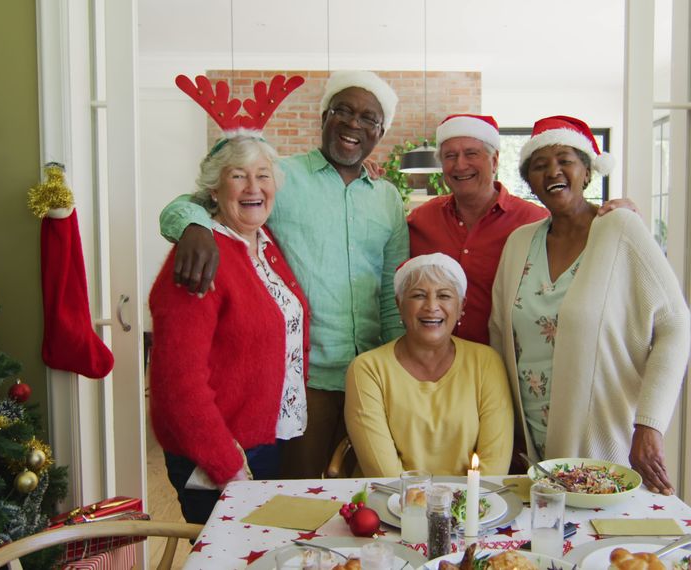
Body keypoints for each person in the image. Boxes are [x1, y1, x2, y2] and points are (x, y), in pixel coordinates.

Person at [159, 71, 408, 479]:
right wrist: (193, 227)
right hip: (302, 380)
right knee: (297, 503)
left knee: (365, 503)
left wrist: (398, 376)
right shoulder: (281, 177)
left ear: (381, 132)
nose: (353, 124)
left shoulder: (388, 198)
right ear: (324, 117)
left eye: (368, 118)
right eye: (342, 111)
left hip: (372, 380)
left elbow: (390, 292)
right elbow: (192, 202)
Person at [489, 116, 690, 495]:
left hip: (604, 439)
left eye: (565, 159)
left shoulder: (620, 229)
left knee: (604, 546)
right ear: (529, 182)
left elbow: (674, 322)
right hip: (531, 445)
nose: (553, 171)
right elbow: (500, 334)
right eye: (539, 165)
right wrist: (508, 429)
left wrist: (649, 424)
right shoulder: (518, 243)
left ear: (587, 171)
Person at [148, 135, 311, 523]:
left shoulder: (265, 245)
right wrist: (226, 466)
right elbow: (177, 385)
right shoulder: (199, 258)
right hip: (220, 453)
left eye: (263, 175)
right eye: (238, 176)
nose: (254, 187)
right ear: (214, 191)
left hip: (267, 439)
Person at [408, 114, 638, 346]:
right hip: (433, 366)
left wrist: (621, 217)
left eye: (471, 153)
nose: (460, 164)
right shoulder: (419, 221)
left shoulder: (535, 222)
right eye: (450, 156)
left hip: (506, 367)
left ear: (495, 161)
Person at [346, 253, 513, 477]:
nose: (432, 306)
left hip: (474, 506)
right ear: (399, 304)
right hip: (393, 505)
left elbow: (495, 466)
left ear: (461, 305)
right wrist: (425, 508)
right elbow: (384, 473)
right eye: (418, 295)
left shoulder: (486, 362)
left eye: (444, 296)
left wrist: (461, 508)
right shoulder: (368, 369)